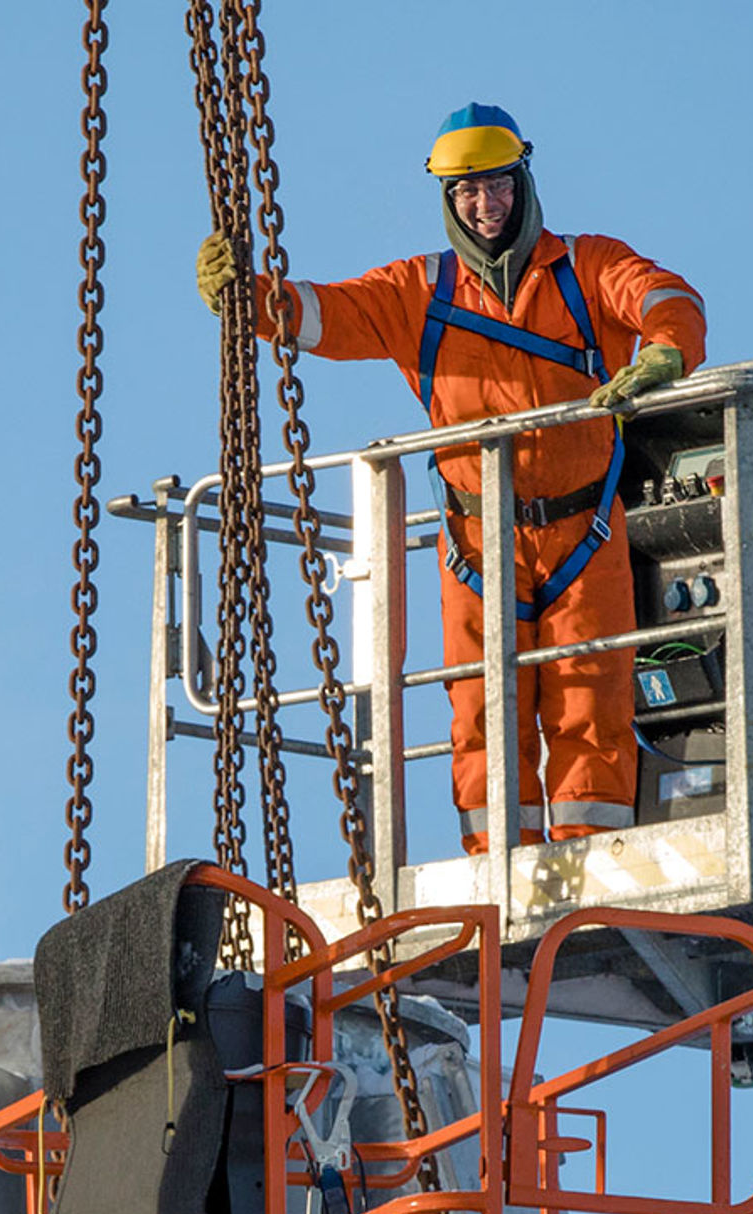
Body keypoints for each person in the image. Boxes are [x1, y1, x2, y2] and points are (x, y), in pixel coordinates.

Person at [199, 102, 704, 851]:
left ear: (522, 182)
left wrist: (666, 351)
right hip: (476, 539)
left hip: (583, 530)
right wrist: (250, 298)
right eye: (467, 191)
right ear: (447, 199)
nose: (485, 203)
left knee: (590, 700)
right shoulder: (419, 293)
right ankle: (498, 864)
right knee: (481, 709)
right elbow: (329, 314)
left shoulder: (586, 268)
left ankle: (595, 861)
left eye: (496, 185)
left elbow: (664, 296)